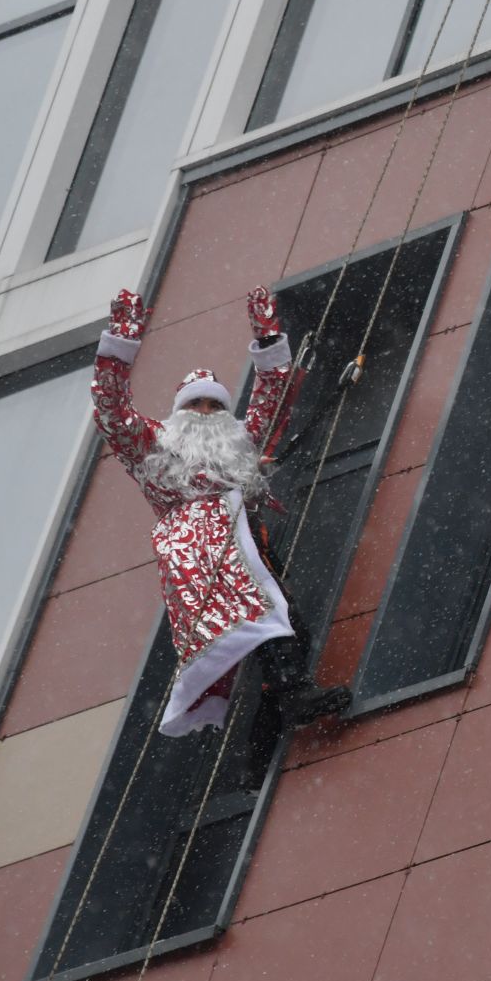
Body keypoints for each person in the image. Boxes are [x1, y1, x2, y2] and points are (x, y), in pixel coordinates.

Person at [93, 286, 351, 738]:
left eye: (215, 405)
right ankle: (288, 700)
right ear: (179, 412)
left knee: (286, 625)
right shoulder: (153, 444)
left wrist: (269, 341)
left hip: (245, 541)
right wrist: (119, 346)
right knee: (270, 622)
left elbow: (272, 399)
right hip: (200, 550)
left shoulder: (238, 441)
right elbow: (111, 410)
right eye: (196, 404)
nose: (206, 412)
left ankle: (270, 727)